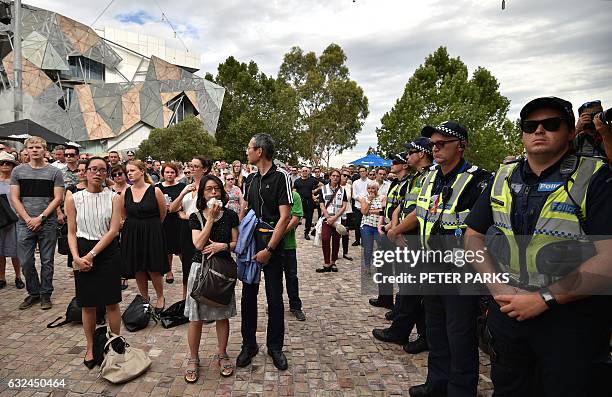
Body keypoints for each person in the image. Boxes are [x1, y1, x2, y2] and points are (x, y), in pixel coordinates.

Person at [465, 97, 612, 397]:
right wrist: (497, 288)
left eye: (551, 124)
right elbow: (472, 235)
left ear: (570, 132)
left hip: (570, 318)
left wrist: (544, 299)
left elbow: (609, 257)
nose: (539, 131)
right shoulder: (503, 176)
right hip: (509, 311)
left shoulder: (596, 176)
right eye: (530, 126)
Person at [390, 121, 491, 397]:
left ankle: (460, 389)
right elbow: (420, 213)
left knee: (459, 335)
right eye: (433, 144)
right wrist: (397, 229)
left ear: (461, 145)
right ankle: (437, 382)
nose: (434, 148)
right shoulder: (430, 178)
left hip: (461, 270)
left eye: (441, 143)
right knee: (435, 331)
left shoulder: (479, 180)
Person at [238, 133, 292, 371]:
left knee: (274, 297)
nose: (246, 152)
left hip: (272, 245)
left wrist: (269, 249)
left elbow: (285, 217)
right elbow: (245, 212)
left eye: (249, 148)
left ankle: (275, 346)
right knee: (248, 296)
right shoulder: (249, 180)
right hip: (251, 244)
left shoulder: (281, 177)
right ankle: (249, 345)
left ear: (259, 151)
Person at [64, 156, 122, 369]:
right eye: (93, 169)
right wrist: (77, 257)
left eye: (102, 170)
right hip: (81, 249)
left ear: (107, 173)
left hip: (106, 251)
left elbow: (114, 230)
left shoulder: (114, 197)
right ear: (85, 172)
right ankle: (90, 346)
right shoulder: (74, 198)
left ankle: (115, 343)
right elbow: (70, 232)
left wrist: (92, 255)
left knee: (111, 302)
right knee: (87, 305)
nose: (97, 173)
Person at [184, 175, 239, 382]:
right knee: (195, 317)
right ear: (202, 194)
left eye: (216, 189)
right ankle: (193, 358)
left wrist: (223, 246)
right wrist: (209, 219)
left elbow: (236, 242)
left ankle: (222, 354)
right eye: (208, 189)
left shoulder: (231, 215)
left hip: (222, 271)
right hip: (200, 270)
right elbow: (198, 244)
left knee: (221, 314)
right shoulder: (195, 216)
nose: (213, 193)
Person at [381, 139, 433, 355]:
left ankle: (416, 334)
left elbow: (420, 212)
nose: (406, 156)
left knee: (415, 293)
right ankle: (409, 332)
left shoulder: (430, 177)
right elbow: (401, 206)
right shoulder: (415, 178)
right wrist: (395, 228)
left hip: (419, 241)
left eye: (410, 152)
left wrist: (396, 230)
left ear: (421, 154)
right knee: (409, 289)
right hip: (405, 236)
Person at [10, 136, 64, 310]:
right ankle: (33, 292)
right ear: (26, 150)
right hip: (24, 223)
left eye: (38, 147)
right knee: (25, 261)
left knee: (47, 260)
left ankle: (45, 293)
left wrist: (40, 217)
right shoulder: (18, 171)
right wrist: (27, 219)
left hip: (47, 223)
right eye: (31, 147)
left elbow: (58, 198)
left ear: (44, 150)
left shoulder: (55, 172)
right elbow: (14, 198)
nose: (34, 150)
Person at [119, 160, 168, 313]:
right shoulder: (125, 192)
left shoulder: (155, 191)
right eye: (128, 172)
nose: (129, 174)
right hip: (132, 233)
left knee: (154, 268)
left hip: (152, 232)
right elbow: (123, 214)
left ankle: (160, 296)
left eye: (132, 170)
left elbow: (162, 213)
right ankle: (144, 297)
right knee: (138, 268)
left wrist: (151, 226)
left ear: (142, 171)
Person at [369, 153, 412, 312]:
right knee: (384, 266)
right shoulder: (395, 183)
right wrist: (382, 223)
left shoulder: (409, 184)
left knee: (400, 270)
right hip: (387, 228)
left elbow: (404, 210)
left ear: (405, 165)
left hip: (398, 230)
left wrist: (394, 229)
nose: (392, 164)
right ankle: (385, 298)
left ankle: (399, 308)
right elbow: (388, 206)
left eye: (396, 162)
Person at [169, 157, 212, 298]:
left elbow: (210, 211)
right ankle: (185, 300)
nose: (191, 169)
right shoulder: (186, 186)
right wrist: (183, 194)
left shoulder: (209, 187)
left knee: (203, 264)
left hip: (203, 228)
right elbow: (173, 209)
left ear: (204, 169)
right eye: (190, 166)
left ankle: (204, 299)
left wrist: (187, 215)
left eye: (195, 166)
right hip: (186, 230)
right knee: (187, 265)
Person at [157, 162, 186, 285]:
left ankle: (187, 269)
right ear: (163, 173)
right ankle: (169, 271)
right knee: (167, 248)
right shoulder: (157, 187)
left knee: (181, 248)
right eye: (167, 172)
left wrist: (177, 208)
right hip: (164, 221)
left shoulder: (182, 186)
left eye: (172, 172)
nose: (169, 174)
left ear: (176, 173)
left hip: (179, 220)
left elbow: (186, 203)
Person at [316, 169, 348, 273]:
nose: (335, 178)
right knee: (325, 239)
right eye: (333, 176)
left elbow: (344, 206)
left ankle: (333, 261)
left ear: (339, 178)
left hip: (337, 219)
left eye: (337, 176)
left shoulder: (342, 190)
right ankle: (326, 262)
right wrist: (328, 217)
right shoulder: (323, 189)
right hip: (326, 219)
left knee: (336, 241)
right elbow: (321, 204)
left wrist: (335, 218)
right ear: (330, 176)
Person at [0, 152, 24, 290]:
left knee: (15, 252)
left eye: (8, 163)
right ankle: (2, 277)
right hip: (0, 222)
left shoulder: (16, 182)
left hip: (14, 220)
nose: (4, 165)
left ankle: (18, 276)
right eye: (2, 163)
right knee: (0, 252)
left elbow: (20, 200)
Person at [282, 190, 306, 321]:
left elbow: (296, 218)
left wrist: (279, 233)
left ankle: (295, 306)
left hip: (288, 245)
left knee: (291, 276)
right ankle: (275, 304)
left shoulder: (294, 196)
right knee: (273, 277)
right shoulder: (272, 193)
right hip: (271, 245)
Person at [358, 181, 385, 275]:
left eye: (373, 188)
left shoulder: (382, 197)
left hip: (379, 225)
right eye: (369, 188)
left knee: (381, 246)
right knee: (368, 247)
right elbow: (364, 212)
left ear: (377, 189)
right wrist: (369, 200)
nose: (371, 190)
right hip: (367, 225)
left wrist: (371, 211)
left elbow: (383, 211)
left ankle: (380, 264)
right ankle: (367, 265)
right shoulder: (364, 198)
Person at [293, 167, 321, 240]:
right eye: (303, 171)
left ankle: (306, 233)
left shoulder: (312, 180)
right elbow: (294, 190)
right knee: (297, 217)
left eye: (306, 171)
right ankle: (292, 232)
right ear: (301, 172)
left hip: (309, 201)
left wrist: (315, 191)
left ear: (308, 172)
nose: (304, 172)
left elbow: (322, 186)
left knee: (309, 218)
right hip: (299, 202)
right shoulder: (297, 181)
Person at [351, 166, 369, 246]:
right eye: (361, 171)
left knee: (366, 224)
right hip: (358, 206)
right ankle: (357, 239)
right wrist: (360, 199)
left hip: (367, 206)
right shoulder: (355, 182)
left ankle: (365, 240)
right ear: (359, 173)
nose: (362, 173)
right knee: (357, 224)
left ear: (366, 172)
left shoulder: (371, 182)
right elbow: (354, 194)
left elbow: (372, 192)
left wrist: (365, 200)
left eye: (364, 171)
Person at [339, 171, 353, 261]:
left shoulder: (349, 187)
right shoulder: (335, 186)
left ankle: (345, 252)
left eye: (348, 176)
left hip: (348, 211)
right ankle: (334, 252)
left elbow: (350, 199)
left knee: (346, 233)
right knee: (336, 233)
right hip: (337, 213)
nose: (346, 177)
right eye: (344, 175)